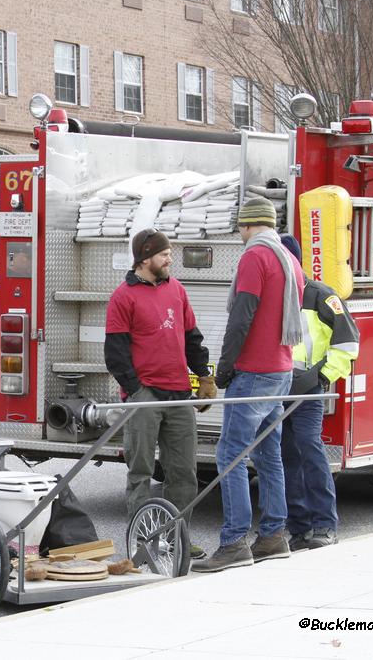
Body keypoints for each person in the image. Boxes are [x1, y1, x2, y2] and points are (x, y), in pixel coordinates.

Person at [192, 197, 305, 573]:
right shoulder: (290, 259)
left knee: (231, 454)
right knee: (268, 454)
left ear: (246, 225)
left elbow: (242, 316)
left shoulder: (255, 257)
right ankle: (273, 536)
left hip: (254, 372)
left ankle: (234, 541)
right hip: (281, 369)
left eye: (240, 227)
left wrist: (223, 369)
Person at [105, 228, 216, 558]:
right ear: (144, 257)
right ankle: (143, 540)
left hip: (179, 394)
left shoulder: (176, 289)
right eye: (164, 254)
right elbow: (115, 352)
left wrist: (204, 376)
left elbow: (192, 337)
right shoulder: (124, 296)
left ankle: (177, 535)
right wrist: (137, 390)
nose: (170, 258)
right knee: (140, 471)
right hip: (146, 395)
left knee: (183, 473)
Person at [279, 234, 359, 551]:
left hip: (308, 391)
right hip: (276, 389)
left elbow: (348, 344)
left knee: (309, 450)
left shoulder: (322, 297)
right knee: (286, 457)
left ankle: (325, 525)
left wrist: (321, 377)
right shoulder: (274, 295)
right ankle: (298, 529)